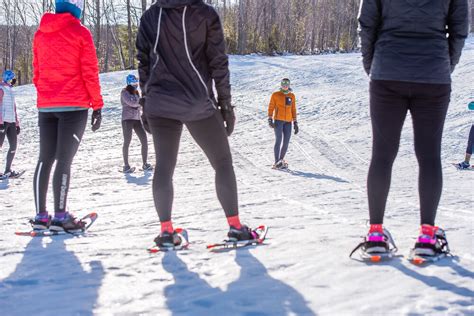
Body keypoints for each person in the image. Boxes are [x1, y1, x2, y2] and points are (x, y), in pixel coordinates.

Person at [137, 0, 258, 247]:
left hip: (159, 103)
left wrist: (145, 105)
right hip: (196, 103)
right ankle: (235, 227)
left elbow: (143, 63)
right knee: (223, 162)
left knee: (164, 166)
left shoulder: (150, 16)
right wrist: (225, 105)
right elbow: (218, 63)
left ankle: (166, 232)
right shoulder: (205, 14)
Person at [357, 0, 469, 258]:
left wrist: (373, 65)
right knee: (429, 156)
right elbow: (460, 28)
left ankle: (375, 234)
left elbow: (367, 24)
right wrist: (444, 64)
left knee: (382, 155)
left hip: (387, 71)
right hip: (433, 74)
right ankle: (427, 236)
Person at [31, 0, 104, 232]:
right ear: (76, 7)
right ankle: (61, 217)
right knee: (64, 160)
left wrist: (45, 94)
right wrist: (97, 105)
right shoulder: (81, 32)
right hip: (73, 106)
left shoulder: (40, 33)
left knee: (45, 158)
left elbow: (36, 71)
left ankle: (41, 216)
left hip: (47, 106)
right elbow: (89, 71)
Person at [121, 74, 152, 173]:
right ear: (129, 83)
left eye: (136, 83)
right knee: (127, 141)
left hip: (137, 119)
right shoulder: (124, 91)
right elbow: (131, 103)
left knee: (144, 140)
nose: (136, 85)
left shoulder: (136, 92)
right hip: (127, 119)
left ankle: (145, 163)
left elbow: (138, 104)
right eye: (134, 83)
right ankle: (126, 165)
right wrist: (140, 102)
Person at [267, 78, 298, 169]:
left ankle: (281, 160)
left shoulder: (292, 96)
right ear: (281, 85)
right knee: (278, 140)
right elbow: (271, 106)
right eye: (283, 84)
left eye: (287, 84)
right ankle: (277, 162)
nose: (285, 86)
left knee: (286, 142)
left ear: (289, 85)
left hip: (288, 122)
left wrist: (295, 122)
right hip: (278, 121)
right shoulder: (276, 95)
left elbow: (293, 109)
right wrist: (270, 118)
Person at [0, 70, 21, 179]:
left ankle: (8, 170)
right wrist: (0, 122)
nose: (14, 80)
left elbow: (14, 108)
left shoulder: (11, 90)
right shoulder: (1, 89)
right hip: (2, 123)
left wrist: (17, 123)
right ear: (8, 78)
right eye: (13, 78)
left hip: (11, 121)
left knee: (13, 146)